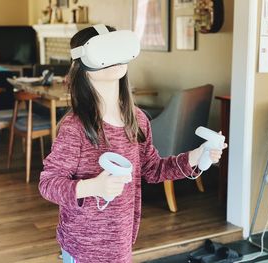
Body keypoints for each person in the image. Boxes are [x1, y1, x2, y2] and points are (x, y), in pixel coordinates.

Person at [39, 25, 226, 263]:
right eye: (107, 51)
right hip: (83, 248)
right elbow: (48, 184)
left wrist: (195, 157)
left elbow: (153, 169)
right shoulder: (75, 127)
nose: (116, 58)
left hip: (122, 241)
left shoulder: (137, 119)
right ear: (83, 64)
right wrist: (92, 187)